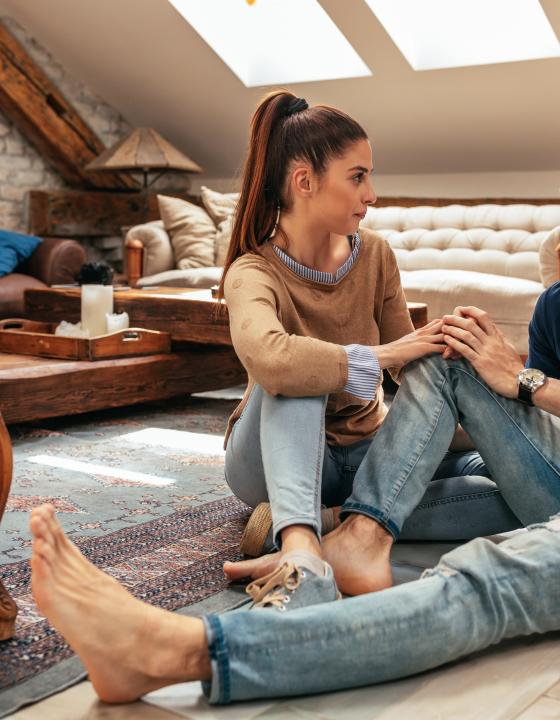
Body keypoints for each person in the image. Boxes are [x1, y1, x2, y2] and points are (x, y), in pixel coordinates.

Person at [27, 96, 560, 704]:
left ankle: (183, 651)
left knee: (492, 579)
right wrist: (478, 379)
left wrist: (518, 379)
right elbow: (533, 420)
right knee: (454, 344)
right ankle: (358, 532)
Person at [213, 90, 521, 610]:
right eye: (358, 176)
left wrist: (482, 398)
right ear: (304, 182)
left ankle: (330, 523)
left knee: (511, 489)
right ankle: (301, 546)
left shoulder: (376, 255)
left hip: (362, 455)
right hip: (267, 455)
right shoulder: (253, 270)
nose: (372, 193)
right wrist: (377, 357)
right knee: (301, 370)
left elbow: (413, 369)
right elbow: (271, 359)